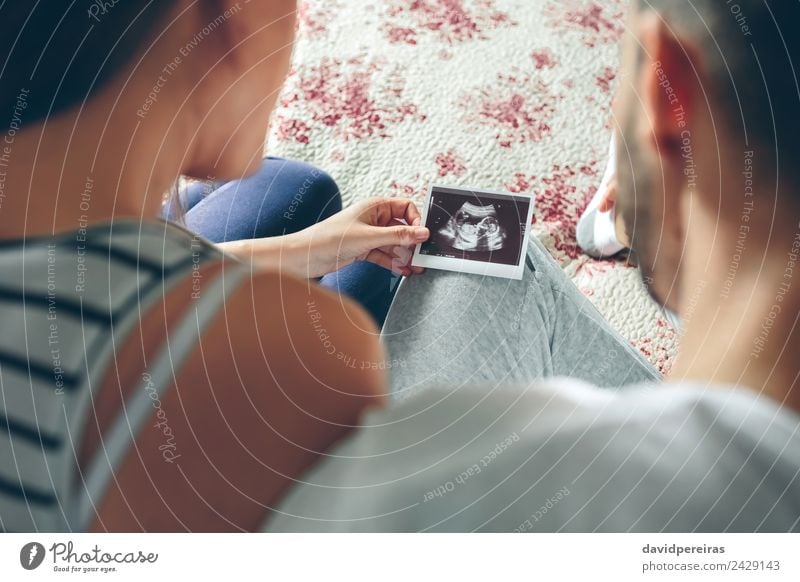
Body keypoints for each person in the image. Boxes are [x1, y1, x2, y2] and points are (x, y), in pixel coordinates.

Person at [265, 0, 800, 531]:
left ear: (669, 98)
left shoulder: (393, 509)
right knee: (486, 244)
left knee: (470, 248)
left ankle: (641, 212)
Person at [0, 1, 428, 532]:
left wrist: (304, 250)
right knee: (498, 273)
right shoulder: (280, 362)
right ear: (232, 20)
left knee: (298, 191)